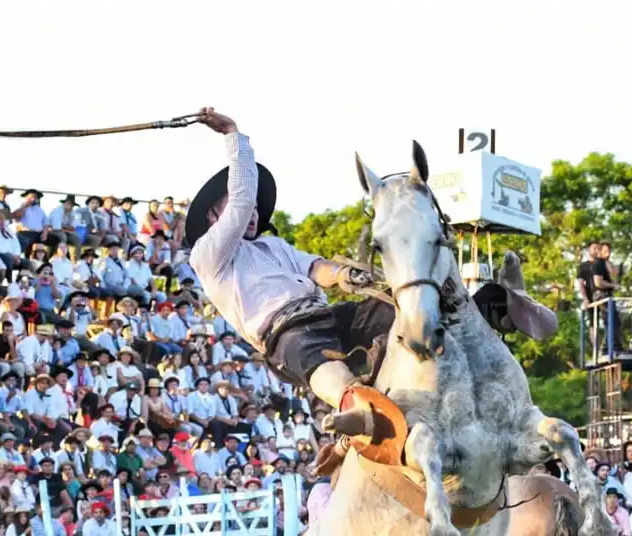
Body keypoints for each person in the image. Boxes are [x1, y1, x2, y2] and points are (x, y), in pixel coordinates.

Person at [183, 107, 556, 472]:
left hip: (327, 313)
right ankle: (357, 417)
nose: (249, 214)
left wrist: (345, 274)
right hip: (284, 332)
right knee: (321, 366)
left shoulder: (272, 247)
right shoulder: (209, 256)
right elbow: (244, 197)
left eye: (251, 212)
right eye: (234, 209)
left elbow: (314, 267)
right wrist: (234, 136)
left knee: (398, 311)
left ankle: (486, 317)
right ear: (215, 217)